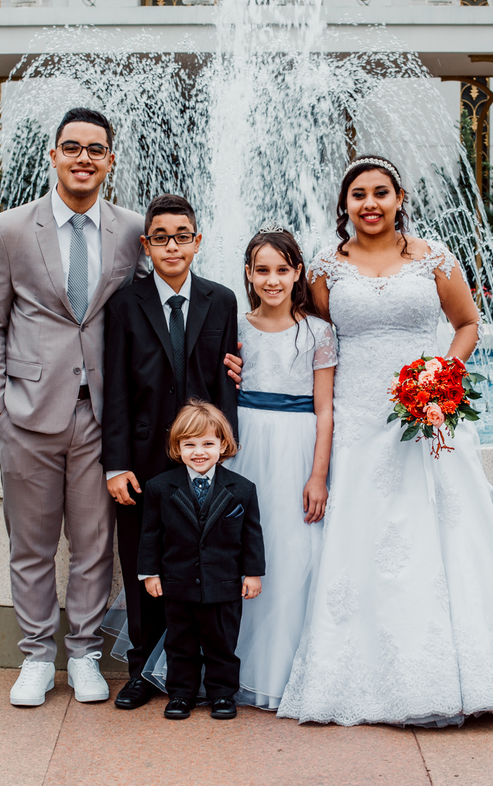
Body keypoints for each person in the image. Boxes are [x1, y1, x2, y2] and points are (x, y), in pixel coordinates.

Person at [276, 155, 493, 727]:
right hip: (359, 420)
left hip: (428, 417)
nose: (370, 203)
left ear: (399, 198)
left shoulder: (434, 257)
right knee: (369, 539)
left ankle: (472, 670)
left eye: (381, 193)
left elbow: (468, 323)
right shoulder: (323, 268)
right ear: (345, 204)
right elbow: (311, 336)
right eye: (359, 194)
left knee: (444, 532)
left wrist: (443, 375)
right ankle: (366, 672)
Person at [0, 107, 149, 708]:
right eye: (71, 147)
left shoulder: (132, 230)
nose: (83, 158)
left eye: (95, 149)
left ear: (110, 160)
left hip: (103, 414)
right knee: (32, 541)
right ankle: (37, 657)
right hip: (27, 411)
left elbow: (152, 309)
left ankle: (86, 654)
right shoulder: (10, 230)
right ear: (53, 156)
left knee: (95, 542)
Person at [139, 227, 335, 710]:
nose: (272, 280)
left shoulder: (318, 332)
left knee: (290, 548)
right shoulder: (236, 325)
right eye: (262, 270)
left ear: (298, 273)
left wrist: (318, 475)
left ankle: (279, 666)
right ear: (248, 274)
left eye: (282, 270)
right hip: (244, 440)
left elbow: (326, 409)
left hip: (295, 443)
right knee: (229, 537)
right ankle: (215, 662)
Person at [102, 193, 240, 711]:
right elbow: (114, 388)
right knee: (145, 565)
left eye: (182, 235)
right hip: (141, 463)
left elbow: (227, 379)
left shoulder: (221, 300)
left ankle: (198, 673)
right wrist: (116, 464)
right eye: (160, 237)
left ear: (198, 241)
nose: (172, 246)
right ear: (146, 244)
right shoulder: (124, 303)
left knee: (200, 563)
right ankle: (141, 670)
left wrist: (224, 449)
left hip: (204, 457)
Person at [137, 401, 265, 721]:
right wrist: (149, 573)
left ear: (222, 445)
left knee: (221, 643)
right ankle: (182, 694)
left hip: (224, 584)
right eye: (189, 444)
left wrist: (253, 574)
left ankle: (222, 694)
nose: (199, 452)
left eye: (208, 443)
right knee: (181, 643)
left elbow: (252, 535)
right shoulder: (160, 488)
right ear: (177, 447)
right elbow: (151, 534)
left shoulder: (242, 490)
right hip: (178, 583)